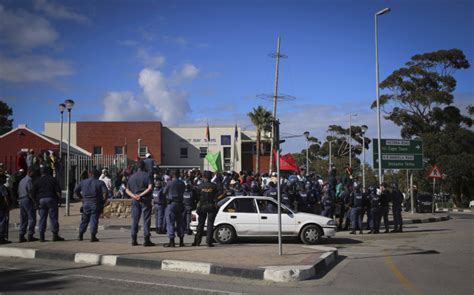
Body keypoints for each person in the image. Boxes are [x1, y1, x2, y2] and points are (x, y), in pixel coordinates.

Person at [126, 160, 155, 247]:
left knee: (135, 219)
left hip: (135, 200)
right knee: (146, 220)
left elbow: (127, 190)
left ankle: (133, 239)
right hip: (145, 199)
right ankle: (146, 239)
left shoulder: (132, 177)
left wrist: (134, 196)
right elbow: (150, 188)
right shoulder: (147, 175)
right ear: (144, 166)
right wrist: (141, 194)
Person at [75, 169, 108, 242]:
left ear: (90, 174)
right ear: (98, 175)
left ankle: (80, 235)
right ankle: (93, 236)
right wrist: (103, 202)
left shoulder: (83, 182)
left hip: (86, 204)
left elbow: (76, 190)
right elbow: (105, 193)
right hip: (95, 203)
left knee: (84, 220)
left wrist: (81, 198)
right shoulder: (100, 183)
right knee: (94, 220)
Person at [33, 167, 64, 242]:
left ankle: (41, 236)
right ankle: (55, 235)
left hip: (41, 200)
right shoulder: (52, 179)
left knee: (42, 218)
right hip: (51, 199)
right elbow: (58, 191)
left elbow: (33, 192)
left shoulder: (37, 180)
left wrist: (35, 202)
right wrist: (60, 200)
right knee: (53, 217)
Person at [193, 171, 218, 247]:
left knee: (200, 224)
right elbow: (216, 196)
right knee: (210, 224)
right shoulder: (214, 186)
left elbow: (196, 196)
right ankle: (209, 242)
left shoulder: (200, 186)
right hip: (211, 205)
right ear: (211, 177)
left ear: (204, 177)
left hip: (202, 205)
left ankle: (197, 241)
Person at [163, 170, 185, 247]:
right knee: (180, 223)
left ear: (172, 175)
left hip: (172, 204)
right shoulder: (182, 183)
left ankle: (172, 241)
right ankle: (181, 241)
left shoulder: (169, 183)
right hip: (180, 203)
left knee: (170, 223)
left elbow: (164, 192)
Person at [18, 168, 38, 242]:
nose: (34, 174)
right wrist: (34, 201)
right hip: (27, 199)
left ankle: (21, 234)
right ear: (29, 172)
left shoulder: (22, 180)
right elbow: (30, 192)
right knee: (32, 217)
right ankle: (30, 235)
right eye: (33, 172)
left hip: (21, 199)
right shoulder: (29, 180)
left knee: (23, 218)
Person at [0, 173, 12, 244]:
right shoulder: (2, 187)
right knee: (2, 222)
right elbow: (5, 197)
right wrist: (8, 206)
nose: (5, 179)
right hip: (1, 207)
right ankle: (2, 238)